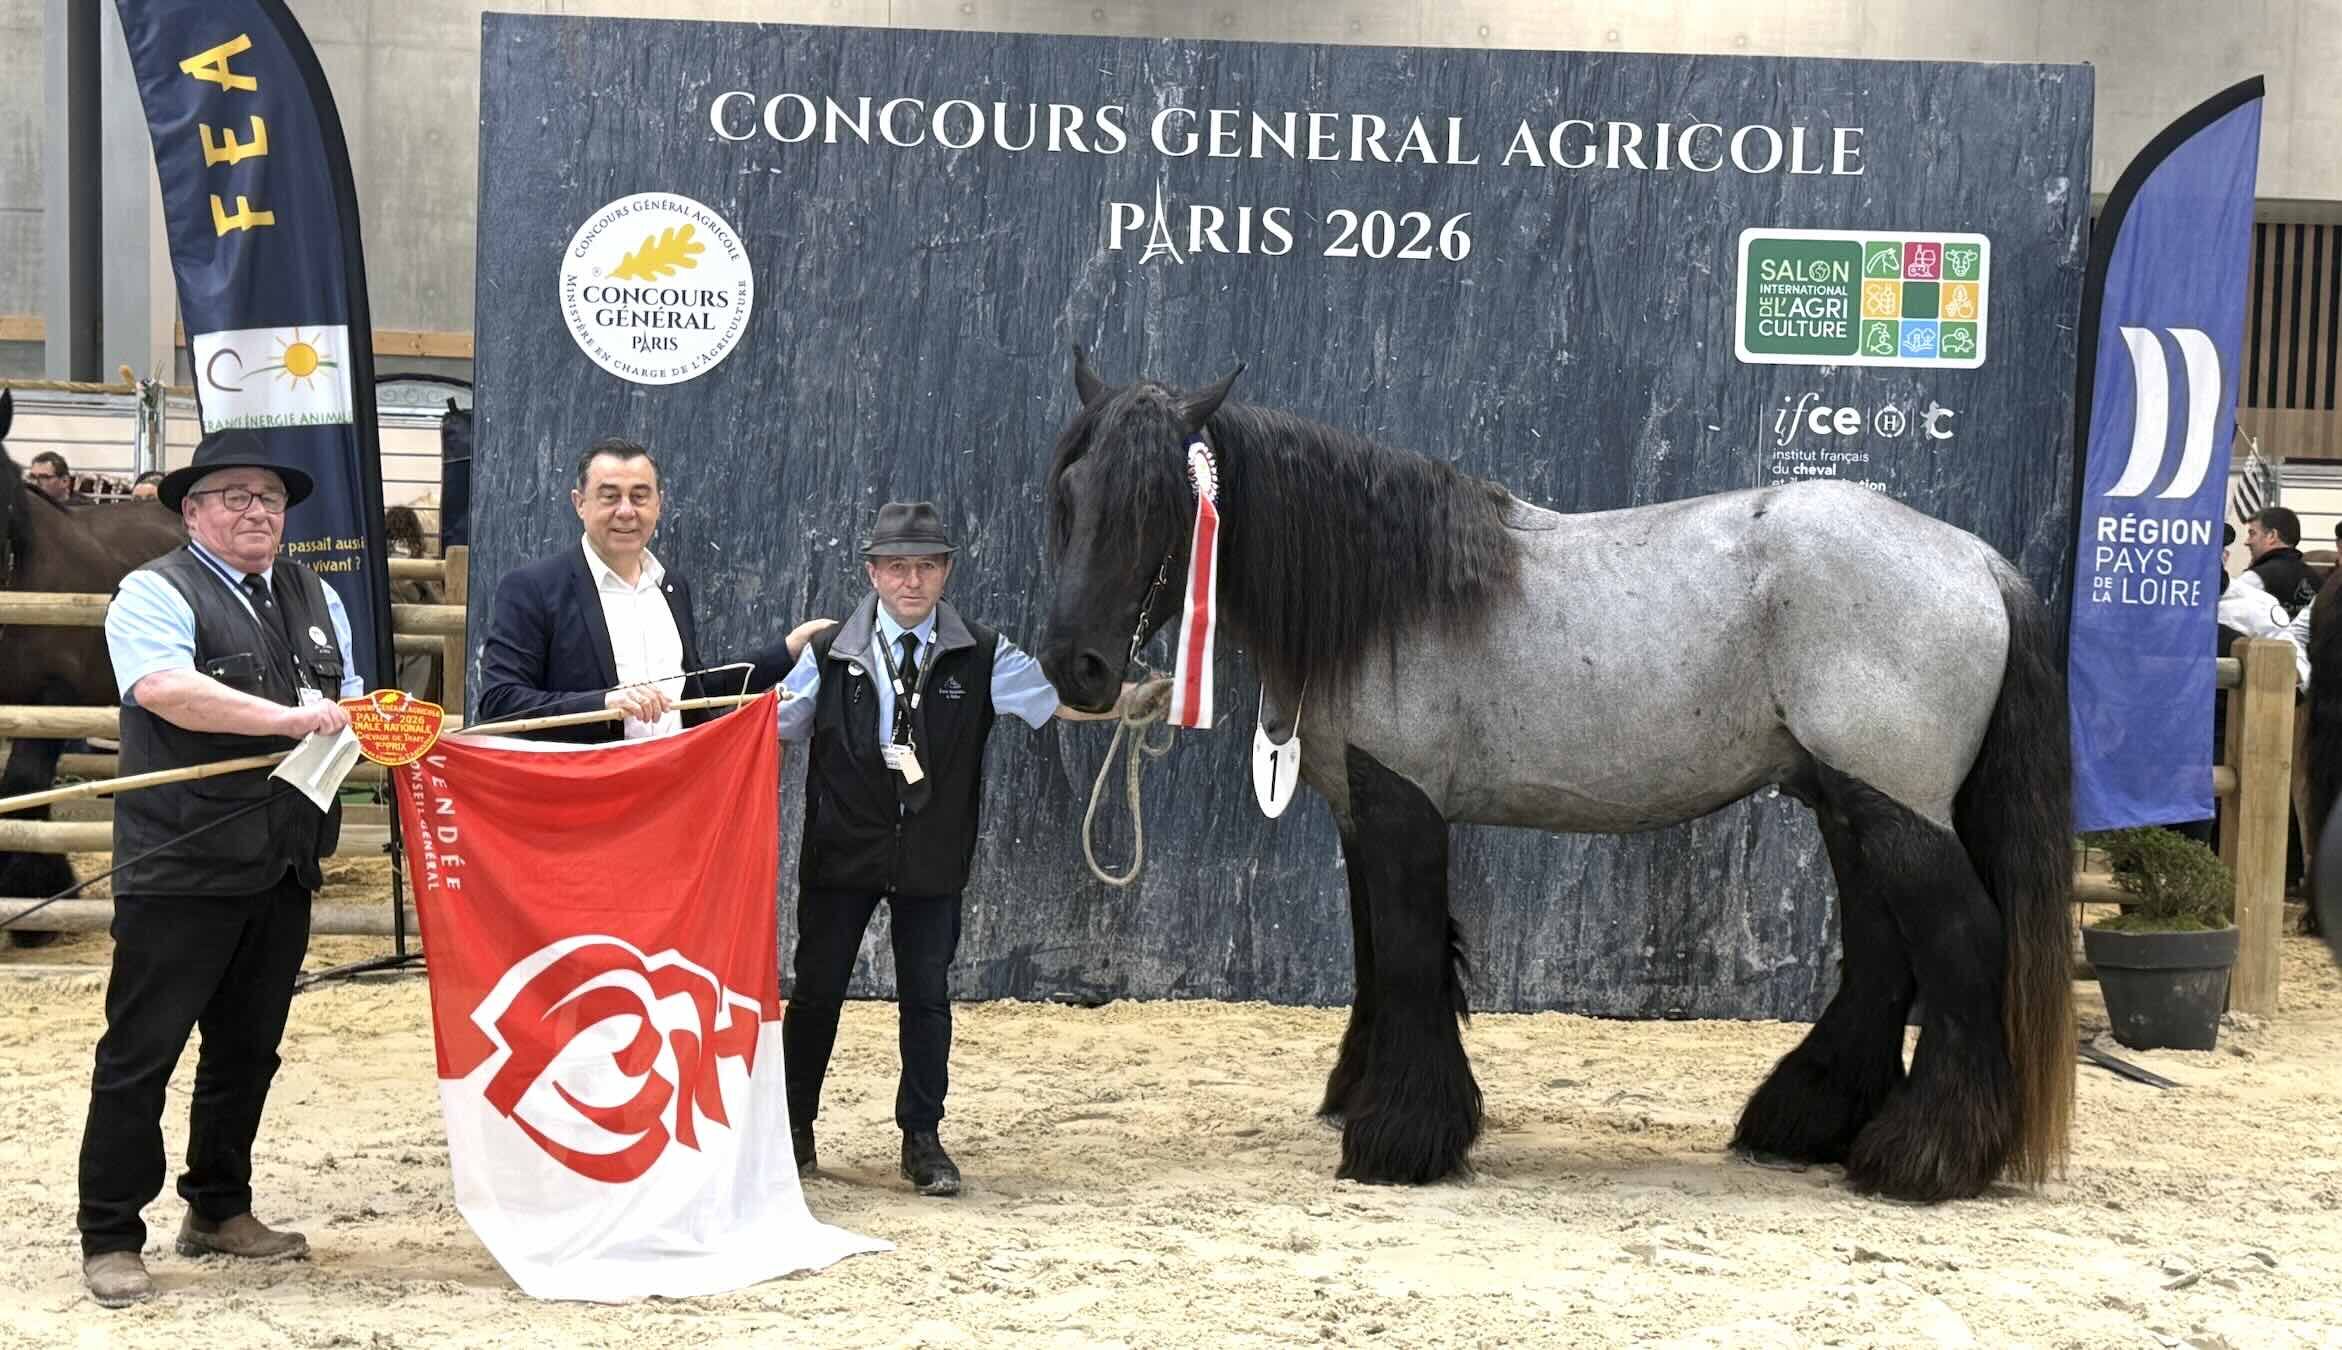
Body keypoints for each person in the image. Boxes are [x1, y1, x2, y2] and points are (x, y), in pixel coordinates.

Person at [776, 500, 1163, 1197]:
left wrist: (1134, 699)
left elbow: (1057, 699)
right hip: (841, 853)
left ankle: (921, 1140)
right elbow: (774, 721)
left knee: (927, 999)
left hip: (932, 852)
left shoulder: (983, 652)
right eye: (897, 566)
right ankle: (793, 1130)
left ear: (947, 571)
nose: (912, 581)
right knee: (817, 994)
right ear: (872, 572)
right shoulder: (830, 651)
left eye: (926, 565)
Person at [77, 431, 363, 1308]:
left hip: (282, 859)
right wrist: (285, 722)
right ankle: (110, 1233)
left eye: (269, 499)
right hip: (183, 863)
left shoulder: (317, 594)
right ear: (193, 510)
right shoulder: (153, 591)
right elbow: (163, 688)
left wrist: (367, 721)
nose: (256, 512)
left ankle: (218, 1208)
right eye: (235, 496)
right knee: (143, 1050)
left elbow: (345, 694)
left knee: (248, 1049)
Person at [476, 436, 831, 741]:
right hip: (583, 800)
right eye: (610, 496)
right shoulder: (532, 589)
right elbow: (500, 703)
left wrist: (787, 651)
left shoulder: (672, 586)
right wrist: (603, 704)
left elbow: (695, 691)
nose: (626, 511)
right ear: (579, 503)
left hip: (672, 795)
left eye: (640, 496)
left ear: (658, 504)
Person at [2244, 506, 2316, 618]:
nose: (2247, 542)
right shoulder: (2319, 581)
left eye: (2252, 533)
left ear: (2272, 535)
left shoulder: (2254, 579)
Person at [27, 450, 95, 507]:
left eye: (44, 477)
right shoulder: (27, 507)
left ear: (64, 481)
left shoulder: (85, 508)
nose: (35, 483)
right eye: (32, 477)